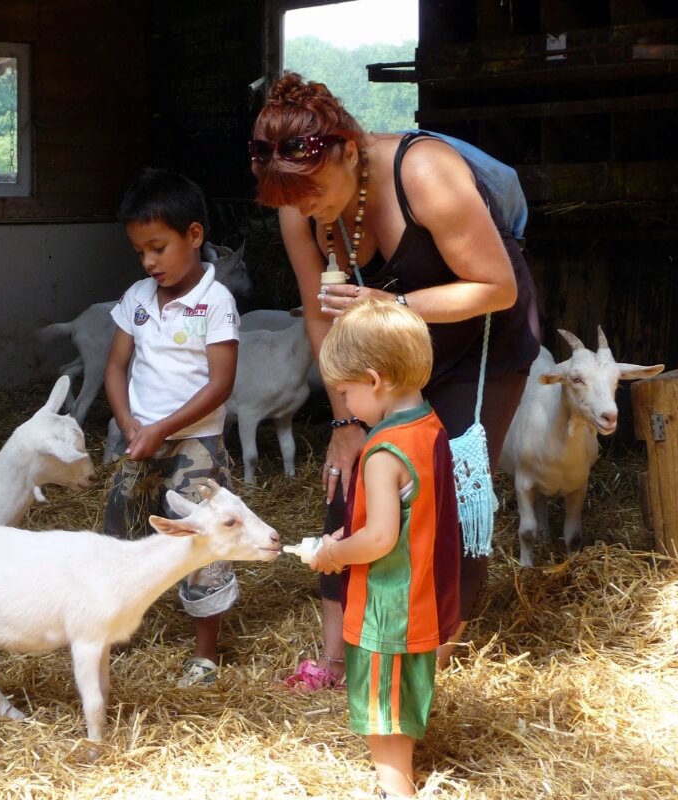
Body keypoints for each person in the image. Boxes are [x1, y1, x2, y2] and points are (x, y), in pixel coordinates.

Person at [251, 73, 540, 685]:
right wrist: (346, 421)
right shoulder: (298, 209)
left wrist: (389, 310)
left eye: (313, 193)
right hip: (387, 348)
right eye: (290, 200)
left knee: (447, 482)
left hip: (478, 334)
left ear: (349, 151)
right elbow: (318, 315)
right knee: (350, 474)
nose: (304, 209)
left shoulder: (424, 172)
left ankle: (425, 661)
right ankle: (333, 661)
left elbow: (496, 287)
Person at [309, 296, 461, 798]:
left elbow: (379, 538)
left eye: (347, 392)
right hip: (423, 594)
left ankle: (398, 789)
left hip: (387, 603)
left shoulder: (381, 451)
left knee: (382, 707)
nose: (346, 405)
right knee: (402, 694)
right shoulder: (429, 425)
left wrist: (333, 553)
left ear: (374, 381)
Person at [102, 167, 241, 687]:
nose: (148, 261)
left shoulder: (215, 302)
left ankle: (205, 654)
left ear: (195, 236)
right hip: (141, 440)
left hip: (195, 444)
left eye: (158, 248)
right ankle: (112, 630)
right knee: (120, 531)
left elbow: (220, 384)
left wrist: (163, 427)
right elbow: (117, 365)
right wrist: (127, 422)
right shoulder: (137, 298)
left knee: (204, 537)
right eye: (140, 251)